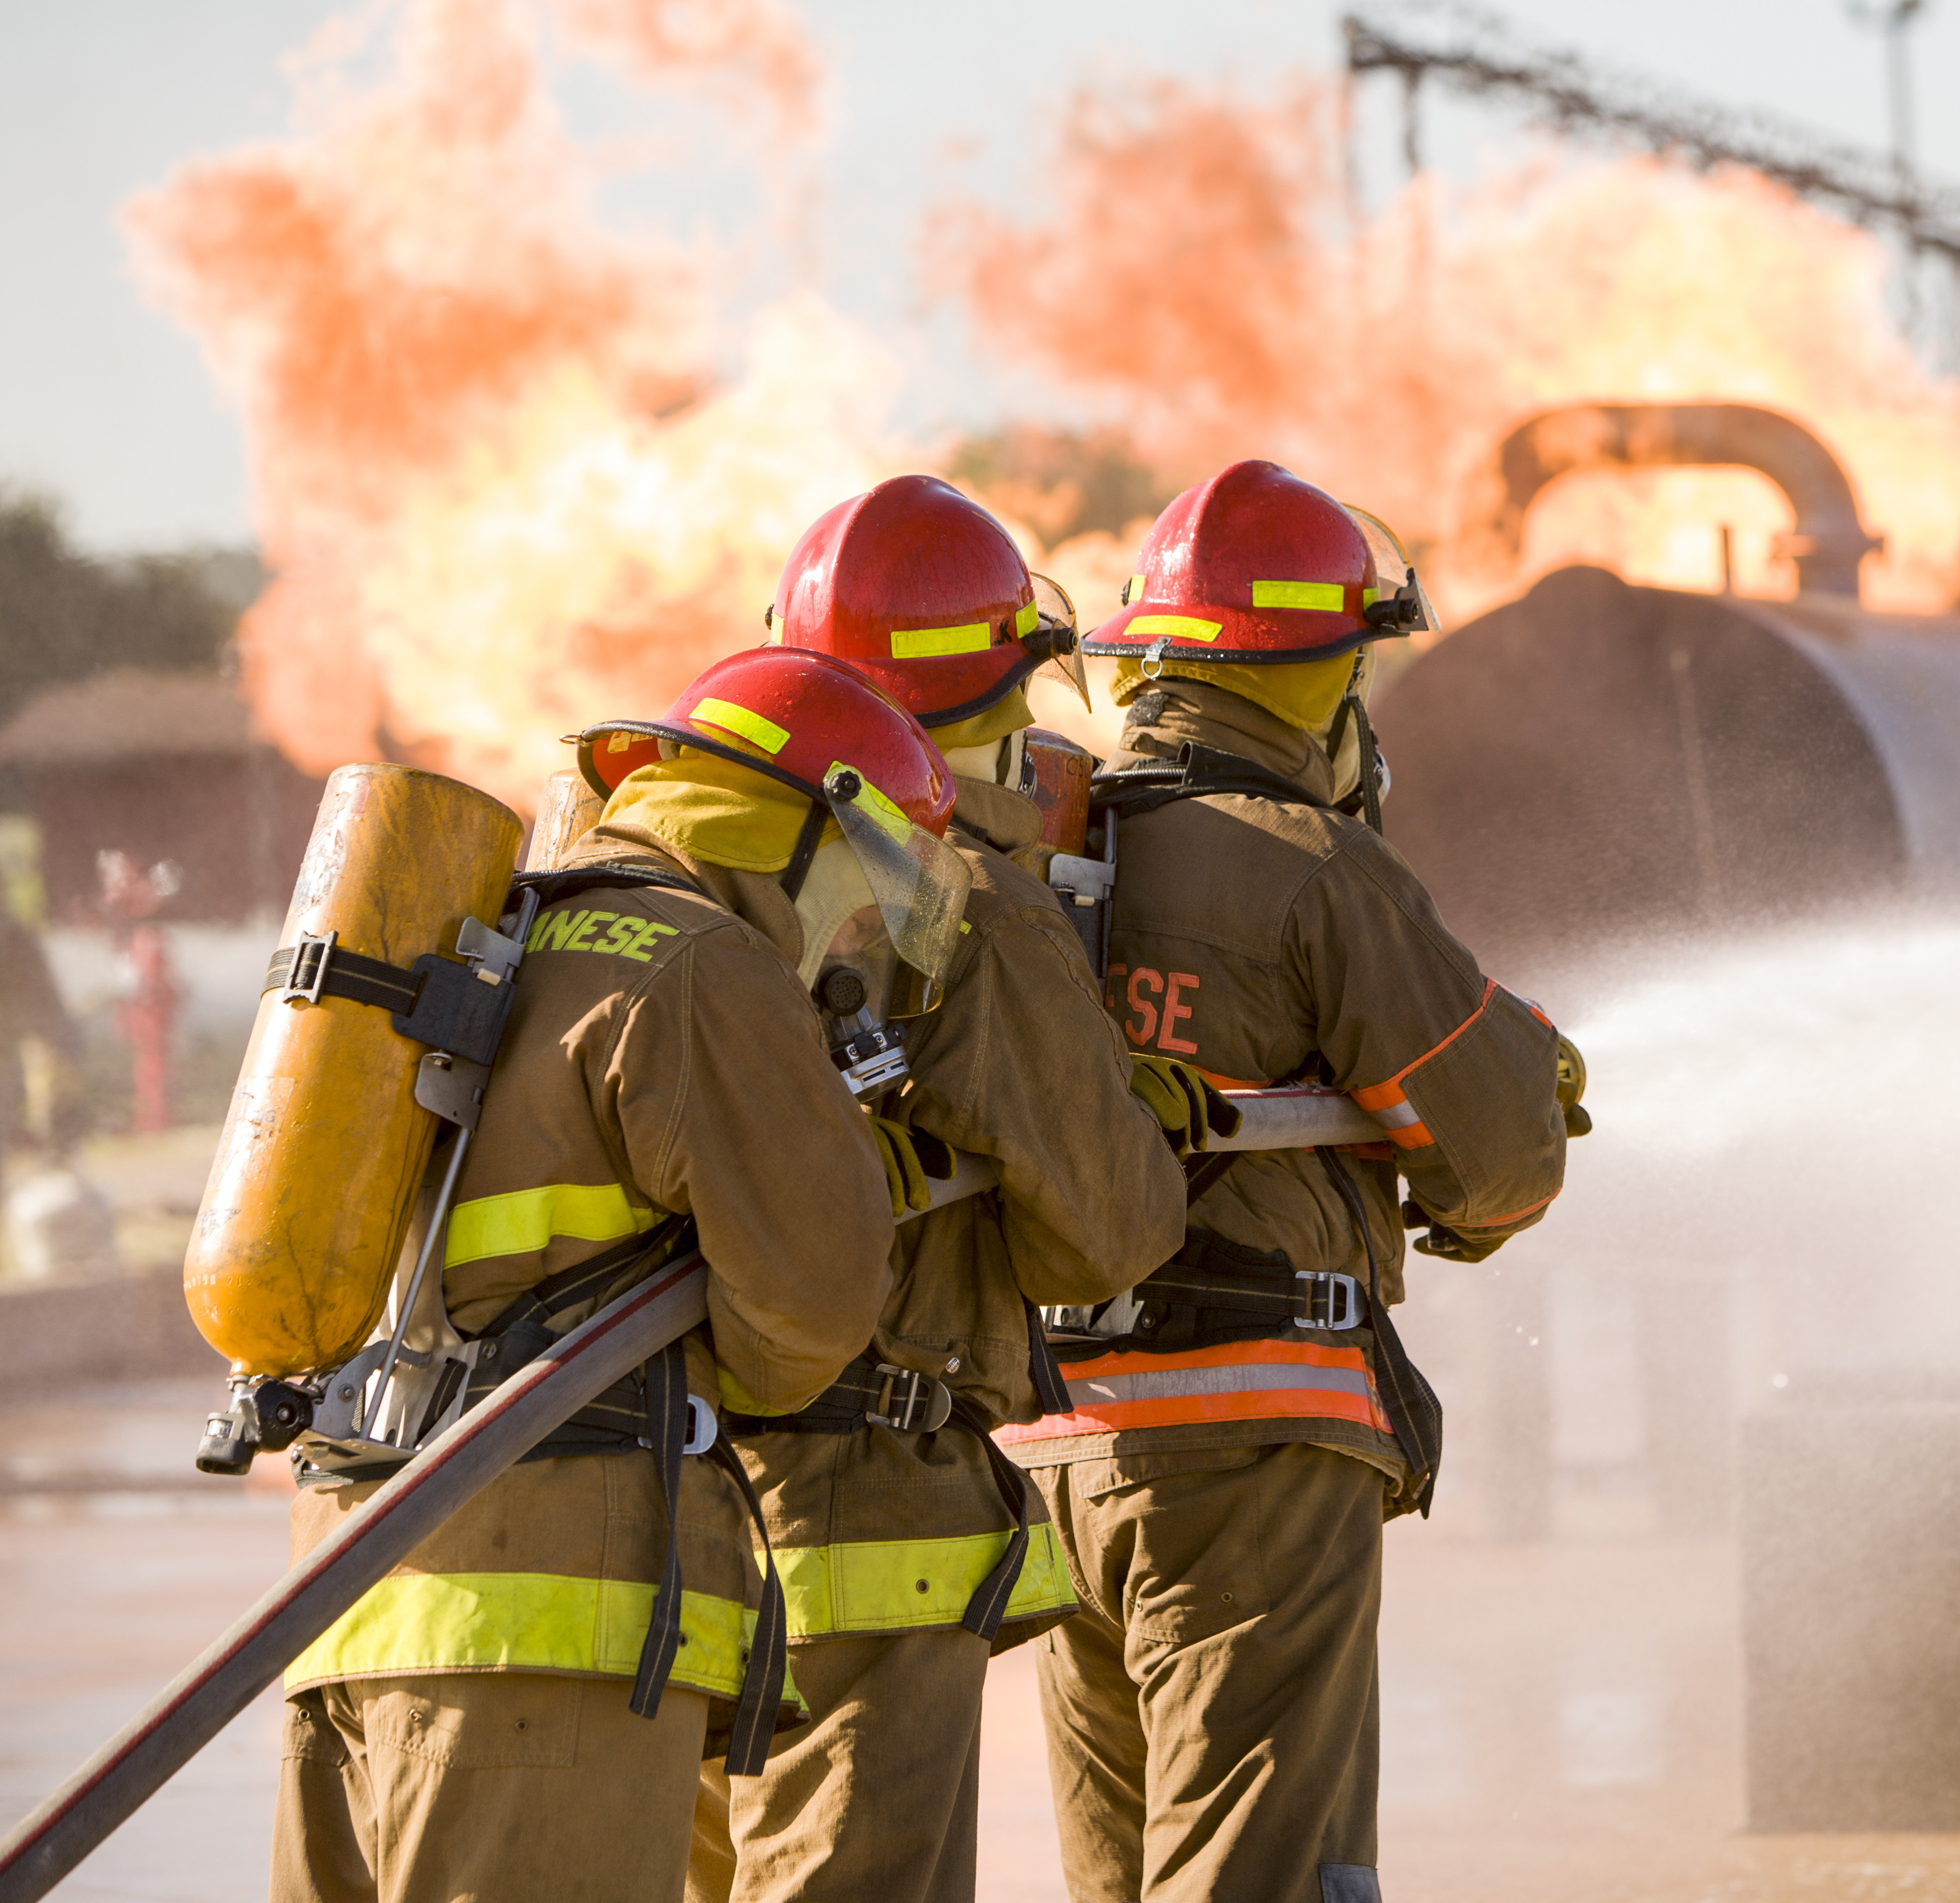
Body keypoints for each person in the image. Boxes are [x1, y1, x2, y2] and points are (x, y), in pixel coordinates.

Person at [273, 648, 951, 1903]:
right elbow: (808, 1315)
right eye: (869, 886)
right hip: (547, 1620)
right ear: (799, 836)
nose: (861, 931)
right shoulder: (704, 965)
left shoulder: (505, 927)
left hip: (357, 1582)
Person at [1002, 459, 1577, 1903]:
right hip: (1256, 1438)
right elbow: (1501, 1161)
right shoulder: (1315, 864)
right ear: (1317, 680)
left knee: (1123, 1874)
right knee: (1263, 1868)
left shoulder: (1045, 856)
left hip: (1057, 1443)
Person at [676, 476, 1193, 1903]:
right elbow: (1108, 1230)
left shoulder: (691, 850)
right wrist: (1119, 1108)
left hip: (660, 1498)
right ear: (1002, 686)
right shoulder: (971, 892)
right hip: (863, 1504)